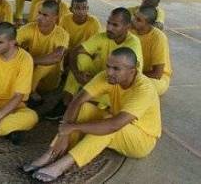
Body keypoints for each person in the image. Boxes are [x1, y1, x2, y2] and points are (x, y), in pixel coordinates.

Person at [24, 48, 161, 182]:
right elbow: (77, 100)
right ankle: (52, 153)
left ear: (132, 71)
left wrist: (73, 127)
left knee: (109, 125)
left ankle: (63, 164)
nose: (109, 72)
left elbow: (114, 125)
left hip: (142, 139)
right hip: (117, 122)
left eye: (116, 69)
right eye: (108, 66)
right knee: (84, 107)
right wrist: (64, 134)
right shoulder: (107, 77)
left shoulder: (144, 89)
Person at [47, 8, 143, 120]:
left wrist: (93, 80)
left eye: (115, 25)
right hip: (102, 75)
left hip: (117, 86)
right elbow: (75, 52)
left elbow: (122, 78)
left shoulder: (132, 45)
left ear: (127, 27)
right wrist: (78, 75)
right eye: (108, 23)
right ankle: (65, 103)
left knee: (85, 107)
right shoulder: (103, 36)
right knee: (81, 57)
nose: (109, 28)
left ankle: (94, 106)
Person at [16, 0, 69, 104]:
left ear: (55, 18)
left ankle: (28, 94)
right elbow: (11, 42)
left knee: (46, 63)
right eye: (39, 13)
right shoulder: (30, 27)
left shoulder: (62, 34)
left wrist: (29, 60)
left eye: (45, 15)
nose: (39, 17)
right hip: (28, 71)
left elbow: (57, 57)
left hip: (49, 81)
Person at [131, 6, 172, 95]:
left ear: (148, 24)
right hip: (132, 72)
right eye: (134, 16)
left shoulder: (158, 38)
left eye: (138, 20)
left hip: (156, 79)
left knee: (141, 88)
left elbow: (157, 74)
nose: (133, 21)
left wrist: (130, 76)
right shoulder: (130, 30)